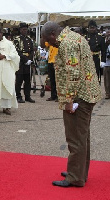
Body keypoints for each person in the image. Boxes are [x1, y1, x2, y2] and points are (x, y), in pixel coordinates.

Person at [41, 21, 101, 187]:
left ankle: (75, 177)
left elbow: (73, 73)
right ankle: (79, 172)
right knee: (82, 137)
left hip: (79, 98)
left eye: (47, 40)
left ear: (53, 34)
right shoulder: (74, 37)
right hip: (86, 94)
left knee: (75, 138)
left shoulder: (67, 43)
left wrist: (68, 100)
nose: (48, 44)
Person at [13, 23, 35, 103]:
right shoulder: (17, 39)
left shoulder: (29, 39)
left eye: (26, 29)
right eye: (23, 29)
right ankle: (18, 96)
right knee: (19, 80)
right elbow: (17, 51)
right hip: (20, 62)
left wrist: (30, 59)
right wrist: (25, 60)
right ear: (20, 30)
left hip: (28, 61)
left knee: (28, 81)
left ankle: (27, 96)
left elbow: (32, 50)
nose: (25, 31)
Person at [85, 20, 106, 84]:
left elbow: (103, 50)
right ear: (88, 28)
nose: (92, 29)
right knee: (88, 75)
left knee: (97, 75)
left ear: (96, 28)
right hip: (88, 58)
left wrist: (103, 60)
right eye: (90, 28)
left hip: (97, 58)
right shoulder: (85, 37)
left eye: (93, 28)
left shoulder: (100, 37)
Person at [104, 30, 110, 99]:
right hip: (106, 64)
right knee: (106, 80)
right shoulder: (103, 43)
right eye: (107, 33)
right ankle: (107, 94)